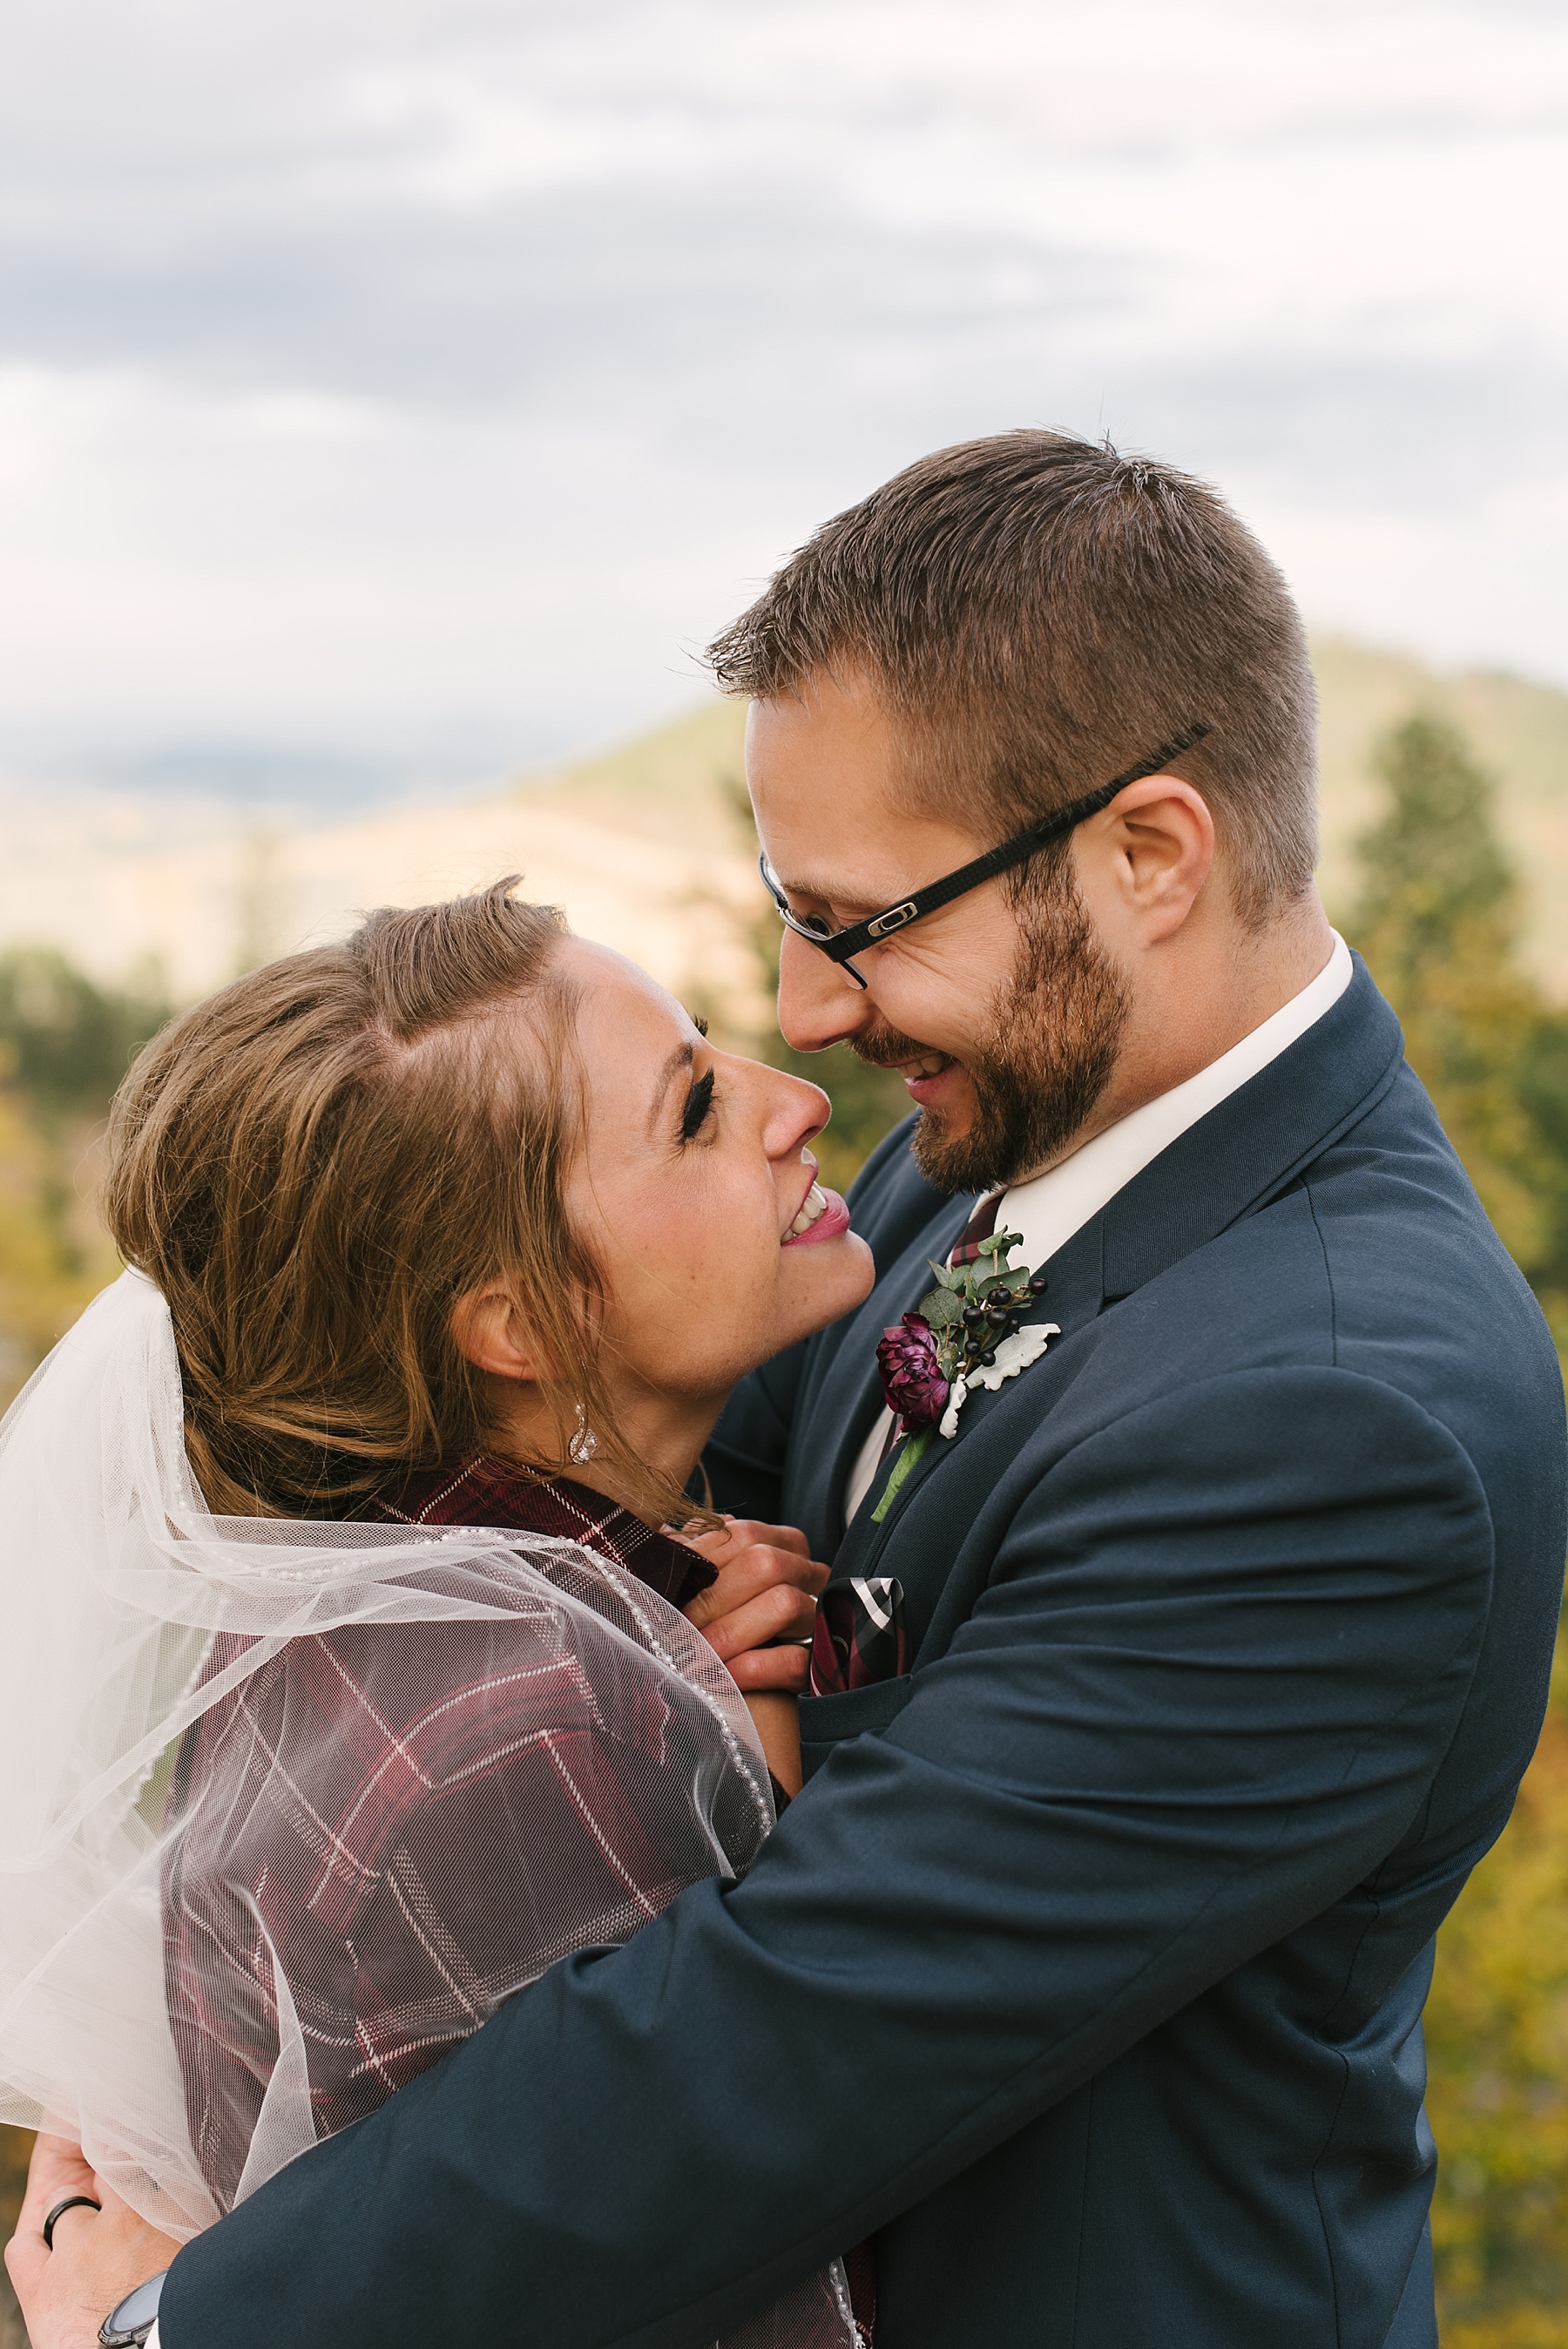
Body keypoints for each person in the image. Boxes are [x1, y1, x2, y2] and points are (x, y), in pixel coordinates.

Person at [14, 430, 1568, 2349]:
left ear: (1150, 854)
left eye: (863, 921)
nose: (810, 1013)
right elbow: (596, 1486)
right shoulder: (965, 1150)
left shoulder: (1340, 1417)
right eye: (788, 904)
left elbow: (793, 2021)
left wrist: (193, 2325)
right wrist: (677, 1595)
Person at [2, 885, 875, 2349]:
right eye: (696, 1110)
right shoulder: (534, 1726)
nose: (796, 1103)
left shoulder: (352, 1595)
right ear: (515, 1325)